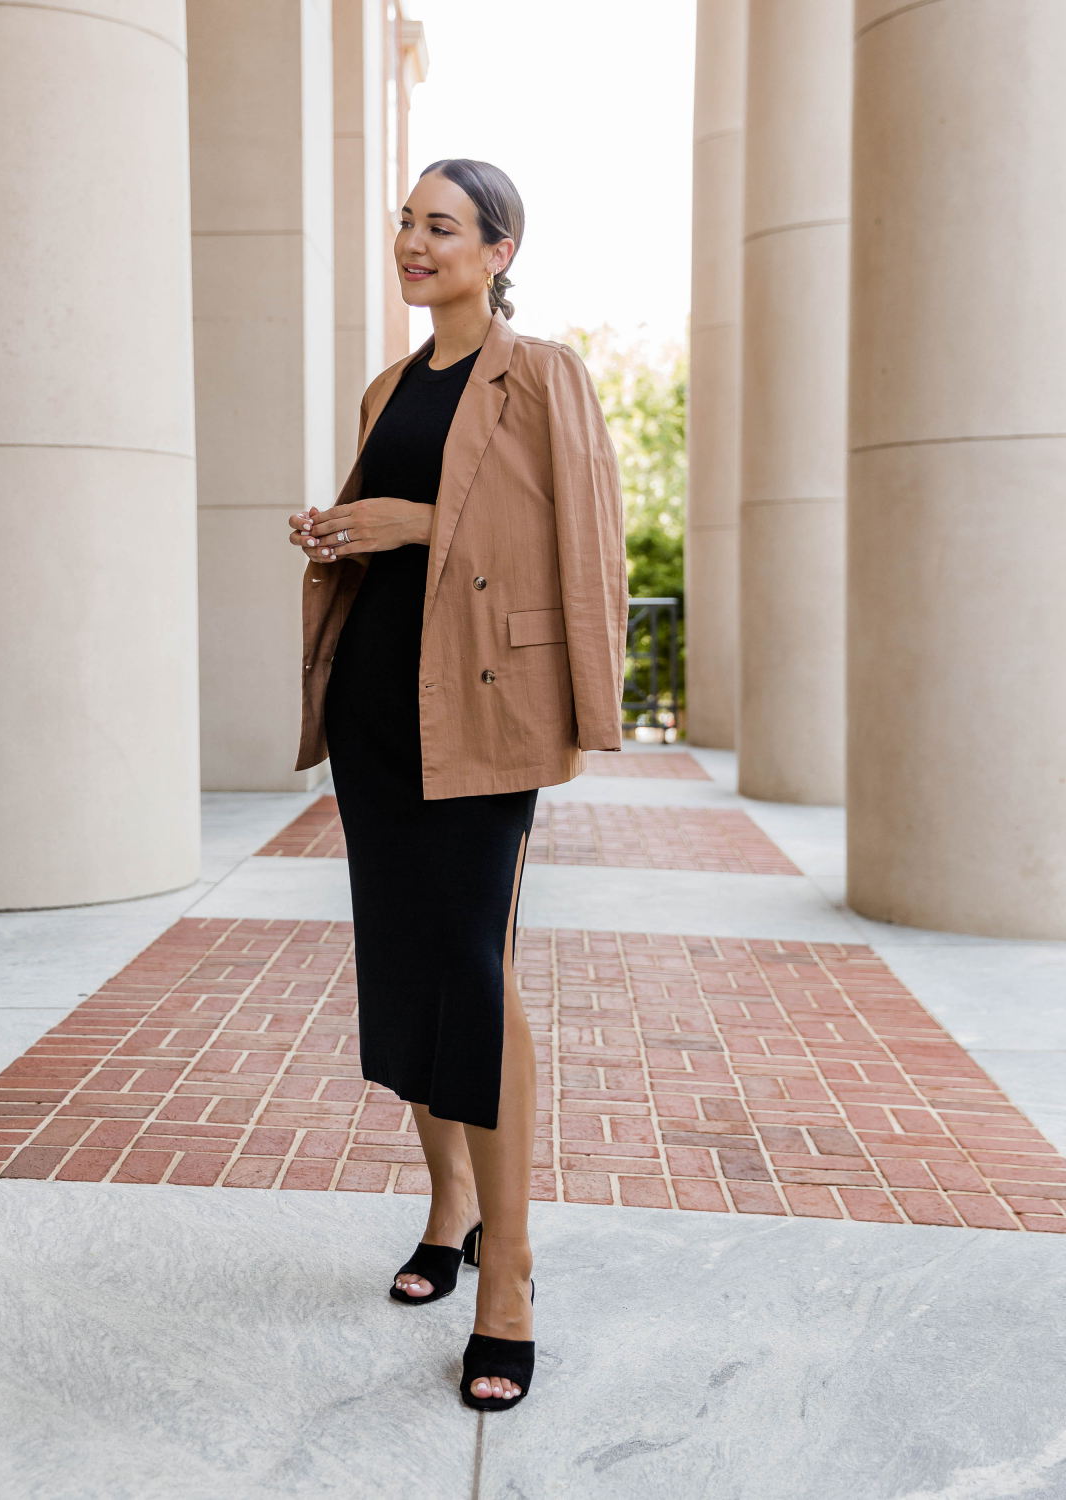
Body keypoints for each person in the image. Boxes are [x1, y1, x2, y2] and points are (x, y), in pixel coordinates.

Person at [288, 158, 626, 1410]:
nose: (414, 243)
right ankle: (449, 1206)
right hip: (379, 709)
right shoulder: (389, 385)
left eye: (441, 227)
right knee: (403, 963)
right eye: (405, 224)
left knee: (471, 967)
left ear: (498, 248)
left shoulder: (541, 375)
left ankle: (513, 1274)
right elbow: (387, 532)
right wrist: (340, 532)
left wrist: (412, 524)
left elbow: (574, 538)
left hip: (482, 714)